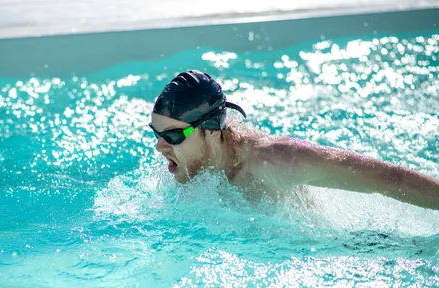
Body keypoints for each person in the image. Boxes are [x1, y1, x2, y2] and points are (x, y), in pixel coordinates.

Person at [149, 69, 439, 211]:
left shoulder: (272, 160)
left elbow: (385, 178)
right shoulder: (188, 177)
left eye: (172, 136)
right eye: (156, 133)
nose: (160, 147)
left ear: (211, 129)